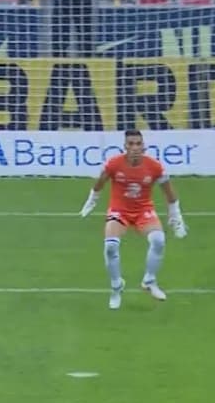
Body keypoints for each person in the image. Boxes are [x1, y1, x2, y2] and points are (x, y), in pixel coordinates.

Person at [77, 129, 187, 310]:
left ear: (144, 146)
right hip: (119, 211)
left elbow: (170, 194)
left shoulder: (155, 167)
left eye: (138, 144)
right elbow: (99, 184)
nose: (135, 147)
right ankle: (116, 287)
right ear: (125, 147)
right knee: (110, 247)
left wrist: (176, 218)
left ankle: (149, 281)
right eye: (131, 144)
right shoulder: (114, 164)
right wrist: (91, 202)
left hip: (143, 211)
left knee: (158, 240)